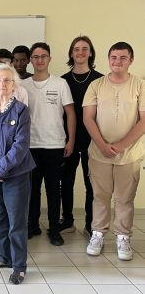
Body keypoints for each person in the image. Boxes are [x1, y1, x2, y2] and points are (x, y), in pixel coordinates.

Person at [83, 42, 145, 260]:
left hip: (129, 154)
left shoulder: (140, 85)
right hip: (99, 152)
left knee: (125, 198)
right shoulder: (96, 85)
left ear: (131, 60)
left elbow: (144, 120)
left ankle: (123, 237)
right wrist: (102, 144)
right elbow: (88, 117)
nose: (117, 62)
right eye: (114, 57)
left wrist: (121, 145)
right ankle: (98, 233)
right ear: (108, 59)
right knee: (100, 196)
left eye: (123, 58)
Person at [0, 63, 35, 285]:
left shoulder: (21, 110)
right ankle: (4, 257)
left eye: (7, 80)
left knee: (16, 222)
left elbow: (21, 146)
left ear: (14, 85)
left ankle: (19, 266)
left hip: (15, 175)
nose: (3, 84)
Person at [22, 42, 76, 246]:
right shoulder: (23, 86)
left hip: (55, 145)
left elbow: (70, 113)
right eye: (35, 57)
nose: (40, 60)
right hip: (30, 146)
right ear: (31, 60)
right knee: (32, 189)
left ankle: (54, 228)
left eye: (43, 56)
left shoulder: (60, 84)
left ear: (49, 59)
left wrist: (70, 140)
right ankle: (32, 225)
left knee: (54, 189)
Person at [60, 36, 103, 237]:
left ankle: (90, 223)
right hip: (68, 140)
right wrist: (67, 139)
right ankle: (67, 220)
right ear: (71, 53)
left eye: (85, 49)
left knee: (91, 184)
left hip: (92, 140)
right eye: (76, 49)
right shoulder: (62, 81)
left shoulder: (101, 80)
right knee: (66, 181)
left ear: (91, 52)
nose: (80, 53)